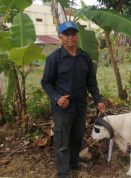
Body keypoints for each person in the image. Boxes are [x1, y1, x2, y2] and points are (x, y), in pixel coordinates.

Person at [41, 21, 106, 178]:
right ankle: (63, 173)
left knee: (76, 136)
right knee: (62, 140)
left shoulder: (85, 57)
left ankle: (74, 162)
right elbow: (46, 82)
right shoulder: (54, 59)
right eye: (66, 34)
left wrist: (98, 99)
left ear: (77, 36)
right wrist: (57, 98)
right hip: (63, 107)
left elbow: (91, 82)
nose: (70, 37)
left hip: (81, 105)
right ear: (60, 37)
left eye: (73, 34)